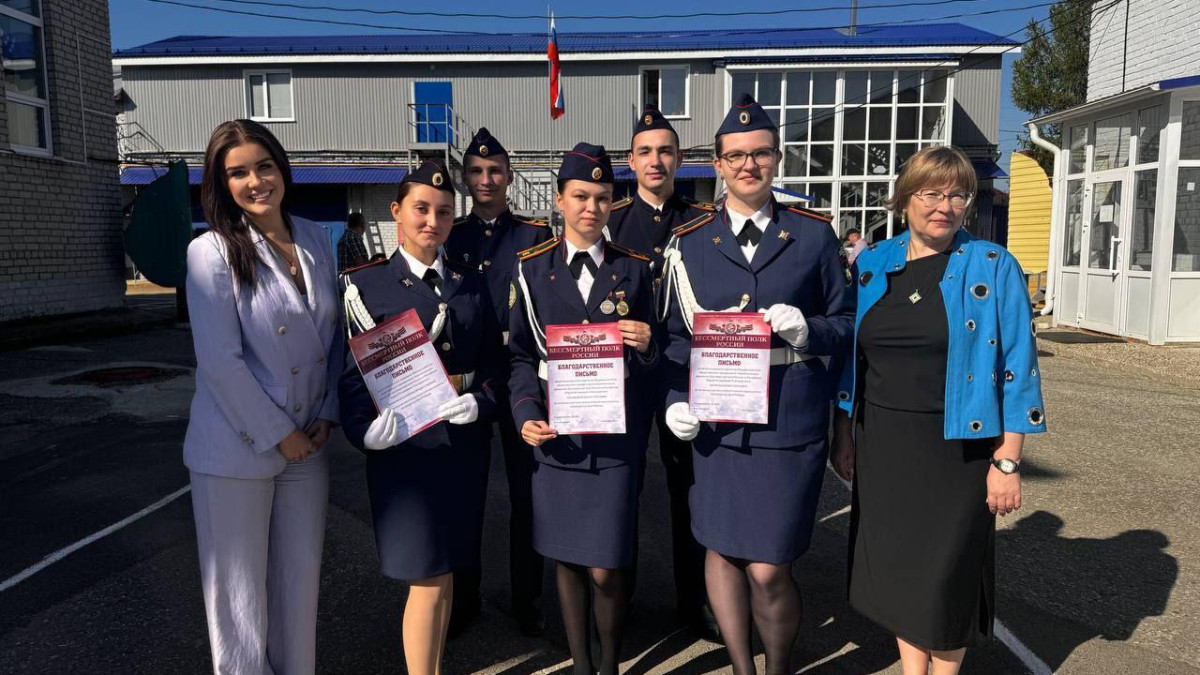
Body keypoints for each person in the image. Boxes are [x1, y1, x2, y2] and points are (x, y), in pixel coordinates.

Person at [659, 94, 856, 675]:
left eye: (761, 153)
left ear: (777, 158)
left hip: (787, 424)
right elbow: (675, 337)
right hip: (718, 426)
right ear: (717, 164)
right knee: (720, 551)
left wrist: (809, 330)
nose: (749, 165)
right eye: (736, 156)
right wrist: (675, 399)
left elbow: (847, 323)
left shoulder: (813, 235)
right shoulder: (691, 241)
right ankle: (743, 668)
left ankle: (778, 668)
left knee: (770, 567)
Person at [831, 145, 1046, 675]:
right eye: (931, 193)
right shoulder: (872, 263)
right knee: (901, 567)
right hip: (884, 442)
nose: (944, 206)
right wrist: (844, 429)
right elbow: (852, 357)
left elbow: (1018, 369)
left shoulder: (992, 265)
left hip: (958, 450)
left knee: (948, 574)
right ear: (905, 198)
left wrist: (1008, 461)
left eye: (957, 195)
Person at [184, 119, 342, 675]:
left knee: (299, 587)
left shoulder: (316, 237)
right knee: (239, 604)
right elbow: (220, 362)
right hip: (238, 443)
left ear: (282, 168)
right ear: (221, 183)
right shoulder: (210, 252)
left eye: (264, 166)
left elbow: (332, 337)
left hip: (308, 440)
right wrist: (280, 434)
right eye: (238, 173)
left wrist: (328, 412)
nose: (255, 181)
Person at [338, 160, 504, 675]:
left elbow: (495, 364)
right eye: (422, 209)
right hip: (406, 452)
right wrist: (362, 431)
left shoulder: (469, 282)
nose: (433, 221)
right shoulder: (368, 286)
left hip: (462, 450)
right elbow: (351, 375)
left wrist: (482, 401)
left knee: (446, 570)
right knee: (427, 578)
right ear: (396, 211)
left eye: (444, 212)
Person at [508, 143, 658, 675]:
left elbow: (656, 355)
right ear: (560, 200)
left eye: (601, 197)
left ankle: (610, 664)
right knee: (567, 558)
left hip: (614, 438)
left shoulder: (635, 269)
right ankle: (580, 664)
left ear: (612, 202)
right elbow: (520, 356)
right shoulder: (531, 270)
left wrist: (647, 345)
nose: (591, 207)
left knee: (607, 567)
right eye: (580, 196)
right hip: (559, 434)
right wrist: (525, 412)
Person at [605, 104, 717, 638]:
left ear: (679, 158)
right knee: (621, 487)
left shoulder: (703, 222)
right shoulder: (610, 220)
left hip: (681, 374)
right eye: (645, 152)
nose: (656, 160)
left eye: (665, 151)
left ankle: (694, 601)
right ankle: (619, 600)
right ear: (630, 161)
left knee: (688, 490)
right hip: (623, 377)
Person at [443, 127, 552, 637]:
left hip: (517, 373)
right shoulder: (450, 234)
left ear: (509, 177)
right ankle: (464, 598)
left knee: (527, 494)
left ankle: (527, 598)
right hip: (466, 380)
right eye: (476, 171)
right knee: (465, 493)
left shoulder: (534, 235)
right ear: (465, 179)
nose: (485, 179)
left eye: (494, 171)